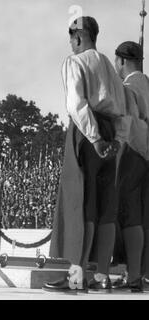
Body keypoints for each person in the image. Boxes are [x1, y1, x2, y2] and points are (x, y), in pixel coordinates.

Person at [43, 16, 130, 292]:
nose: (70, 44)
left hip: (86, 132)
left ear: (78, 37)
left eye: (71, 38)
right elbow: (122, 110)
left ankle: (75, 276)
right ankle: (93, 274)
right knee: (98, 205)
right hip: (110, 131)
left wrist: (93, 138)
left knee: (79, 202)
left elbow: (76, 104)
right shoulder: (108, 66)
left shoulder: (74, 62)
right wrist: (115, 139)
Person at [111, 41, 149, 291]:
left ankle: (133, 273)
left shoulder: (127, 87)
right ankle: (139, 272)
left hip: (132, 153)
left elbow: (121, 124)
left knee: (128, 213)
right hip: (145, 154)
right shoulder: (146, 83)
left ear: (122, 61)